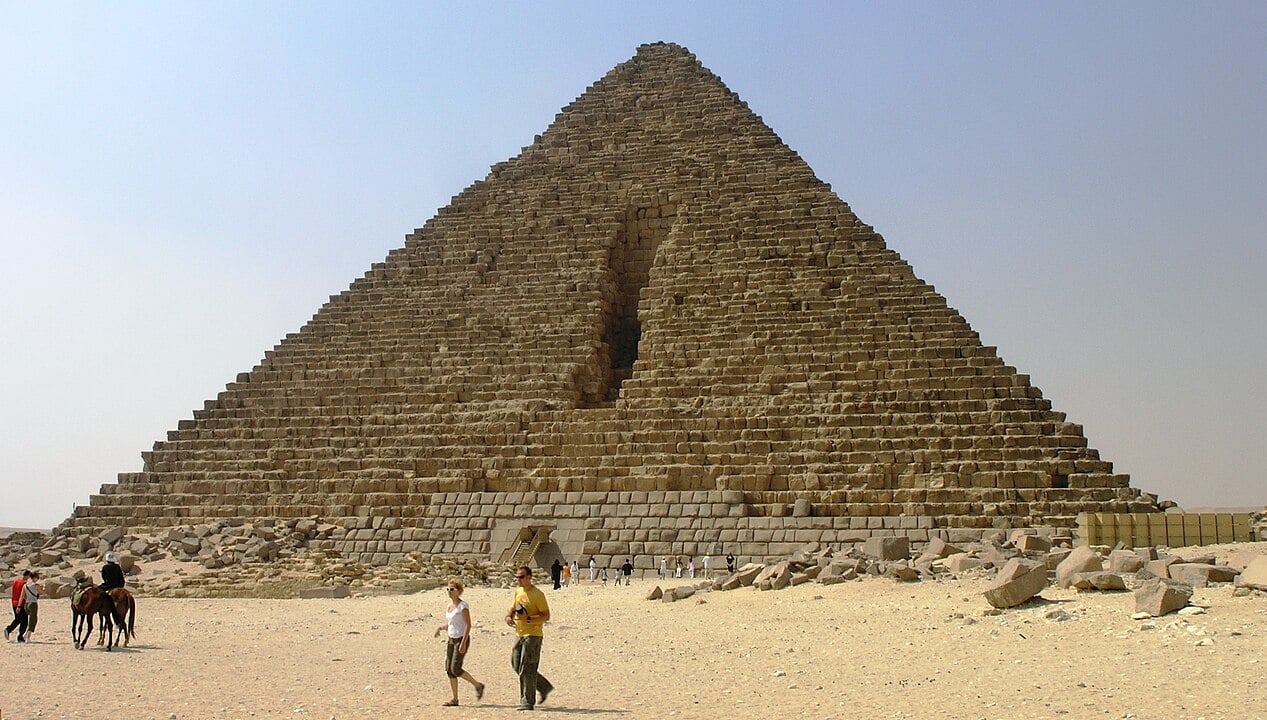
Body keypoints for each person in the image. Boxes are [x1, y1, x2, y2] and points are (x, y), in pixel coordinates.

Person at [505, 566, 553, 711]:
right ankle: (543, 686)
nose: (518, 580)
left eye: (521, 577)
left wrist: (530, 618)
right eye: (517, 577)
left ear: (529, 577)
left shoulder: (538, 595)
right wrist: (508, 616)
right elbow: (513, 608)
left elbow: (546, 615)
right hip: (519, 633)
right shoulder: (518, 592)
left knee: (528, 667)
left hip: (533, 634)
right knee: (516, 664)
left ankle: (527, 701)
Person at [433, 579, 484, 707]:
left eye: (452, 590)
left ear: (459, 591)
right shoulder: (449, 607)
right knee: (449, 670)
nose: (449, 592)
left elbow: (468, 625)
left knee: (455, 668)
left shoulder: (463, 606)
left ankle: (477, 685)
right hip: (451, 639)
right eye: (448, 589)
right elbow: (452, 623)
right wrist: (441, 628)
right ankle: (455, 699)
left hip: (461, 639)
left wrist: (463, 643)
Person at [98, 552, 127, 627]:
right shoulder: (117, 567)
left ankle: (100, 608)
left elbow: (104, 578)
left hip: (108, 585)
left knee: (98, 592)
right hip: (118, 585)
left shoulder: (105, 567)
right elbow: (121, 578)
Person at [5, 570, 30, 642]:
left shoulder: (16, 582)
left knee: (18, 619)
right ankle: (20, 636)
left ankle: (8, 629)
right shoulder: (25, 584)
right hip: (21, 604)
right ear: (27, 576)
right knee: (24, 621)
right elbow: (24, 595)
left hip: (14, 603)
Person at [19, 571, 40, 642]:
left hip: (26, 604)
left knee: (30, 620)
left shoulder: (25, 585)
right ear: (36, 578)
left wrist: (19, 606)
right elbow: (42, 592)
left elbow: (22, 596)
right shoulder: (35, 585)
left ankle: (26, 634)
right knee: (33, 620)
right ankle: (27, 636)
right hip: (33, 604)